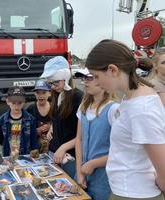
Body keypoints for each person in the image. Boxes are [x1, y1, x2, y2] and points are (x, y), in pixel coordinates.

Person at [86, 39, 165, 200]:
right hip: (127, 190)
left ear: (112, 70)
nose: (97, 83)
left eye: (96, 76)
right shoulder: (131, 99)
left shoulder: (141, 108)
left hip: (136, 193)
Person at [74, 68, 119, 200]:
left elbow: (122, 150)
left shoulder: (114, 110)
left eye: (90, 78)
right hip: (83, 174)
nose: (85, 82)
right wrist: (79, 171)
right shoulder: (83, 107)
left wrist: (93, 163)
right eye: (84, 78)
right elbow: (79, 140)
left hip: (104, 179)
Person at [40, 56, 83, 179]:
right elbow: (58, 116)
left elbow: (84, 134)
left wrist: (64, 147)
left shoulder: (78, 98)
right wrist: (52, 127)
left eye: (56, 82)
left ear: (66, 78)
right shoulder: (56, 95)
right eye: (50, 83)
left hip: (70, 156)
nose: (53, 87)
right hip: (54, 152)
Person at [0, 86, 38, 157]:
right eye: (13, 103)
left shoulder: (30, 119)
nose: (16, 106)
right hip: (9, 155)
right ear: (7, 101)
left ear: (24, 101)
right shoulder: (2, 120)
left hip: (26, 156)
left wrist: (34, 156)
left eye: (19, 103)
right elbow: (1, 140)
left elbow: (33, 140)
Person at [26, 79, 51, 153]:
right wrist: (35, 131)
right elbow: (24, 128)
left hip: (51, 144)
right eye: (38, 93)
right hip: (34, 146)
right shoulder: (30, 108)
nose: (41, 95)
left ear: (49, 93)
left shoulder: (54, 107)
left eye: (44, 92)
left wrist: (50, 127)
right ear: (34, 94)